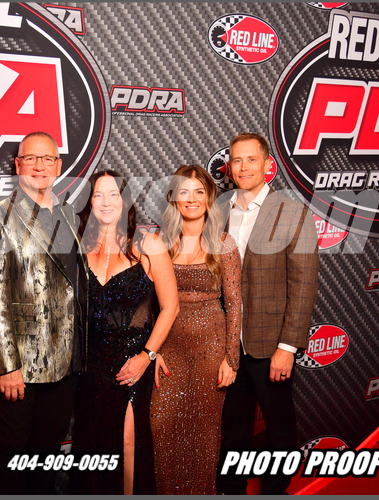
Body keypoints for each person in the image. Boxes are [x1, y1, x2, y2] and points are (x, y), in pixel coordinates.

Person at [0, 131, 87, 494]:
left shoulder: (69, 214)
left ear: (59, 165)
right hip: (21, 366)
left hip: (66, 362)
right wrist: (7, 365)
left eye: (48, 158)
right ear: (17, 164)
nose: (40, 166)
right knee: (10, 462)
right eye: (31, 158)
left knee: (46, 460)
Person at [216, 133, 319, 495]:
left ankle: (276, 490)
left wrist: (287, 348)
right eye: (237, 160)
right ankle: (231, 489)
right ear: (229, 167)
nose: (243, 167)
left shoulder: (293, 213)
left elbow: (303, 285)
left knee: (279, 428)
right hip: (229, 346)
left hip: (272, 344)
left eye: (251, 159)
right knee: (233, 427)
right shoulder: (219, 211)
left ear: (267, 165)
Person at [70, 170, 179, 495]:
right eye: (98, 195)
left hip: (131, 364)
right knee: (92, 450)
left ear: (126, 200)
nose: (106, 202)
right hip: (90, 367)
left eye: (114, 194)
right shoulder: (78, 247)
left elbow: (170, 307)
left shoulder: (148, 244)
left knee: (129, 444)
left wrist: (148, 355)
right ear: (90, 201)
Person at [149, 165, 242, 494]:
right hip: (169, 346)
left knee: (203, 433)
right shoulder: (160, 242)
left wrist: (231, 359)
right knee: (162, 425)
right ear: (173, 198)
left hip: (210, 349)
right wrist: (152, 351)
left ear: (209, 197)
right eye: (184, 192)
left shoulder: (223, 243)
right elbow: (147, 303)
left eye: (199, 192)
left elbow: (234, 303)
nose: (192, 199)